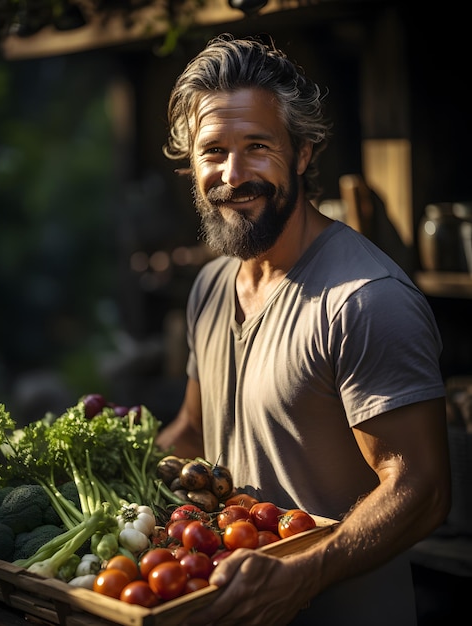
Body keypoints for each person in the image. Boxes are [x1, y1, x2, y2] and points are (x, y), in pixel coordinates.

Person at [156, 33, 451, 626]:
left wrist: (301, 577)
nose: (232, 174)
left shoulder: (365, 301)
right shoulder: (211, 288)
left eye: (257, 146)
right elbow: (193, 428)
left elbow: (422, 489)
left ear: (304, 153)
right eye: (213, 151)